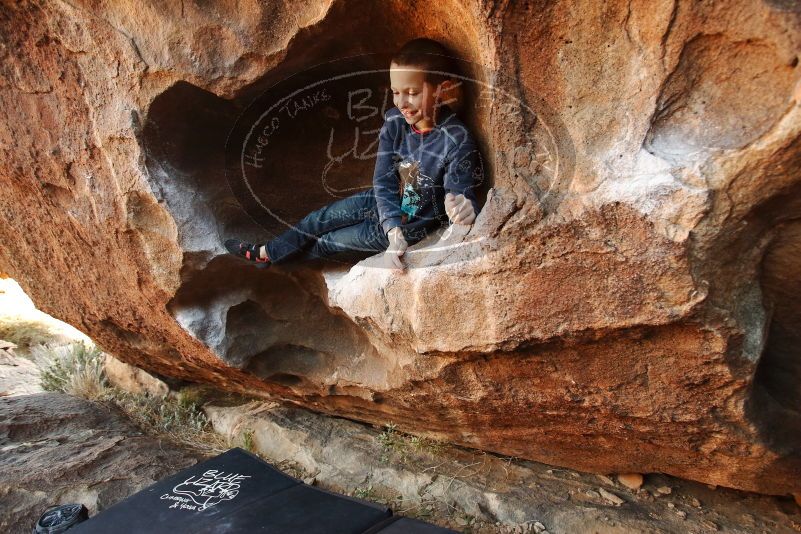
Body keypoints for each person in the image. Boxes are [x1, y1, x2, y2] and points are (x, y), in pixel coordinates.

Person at [224, 37, 484, 271]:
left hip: (409, 228)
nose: (401, 102)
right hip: (383, 205)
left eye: (413, 93)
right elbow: (383, 180)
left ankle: (278, 265)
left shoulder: (456, 139)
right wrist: (391, 226)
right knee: (319, 219)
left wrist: (463, 207)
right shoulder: (395, 121)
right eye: (396, 92)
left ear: (442, 89)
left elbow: (459, 192)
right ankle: (265, 253)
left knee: (329, 242)